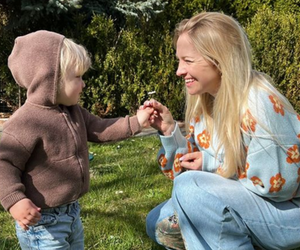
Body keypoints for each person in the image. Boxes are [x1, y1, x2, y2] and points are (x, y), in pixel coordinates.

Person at [143, 12, 300, 250]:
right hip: (249, 203)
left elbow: (278, 186)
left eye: (188, 60)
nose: (179, 71)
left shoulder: (258, 102)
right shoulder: (205, 103)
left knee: (190, 190)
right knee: (158, 220)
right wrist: (169, 130)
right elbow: (188, 173)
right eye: (179, 60)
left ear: (218, 59)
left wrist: (212, 164)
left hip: (288, 213)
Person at [0, 30, 153, 250]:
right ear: (50, 79)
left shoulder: (74, 112)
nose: (83, 84)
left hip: (71, 213)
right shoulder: (26, 122)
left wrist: (137, 122)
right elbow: (4, 163)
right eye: (78, 77)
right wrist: (15, 200)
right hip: (42, 222)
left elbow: (101, 128)